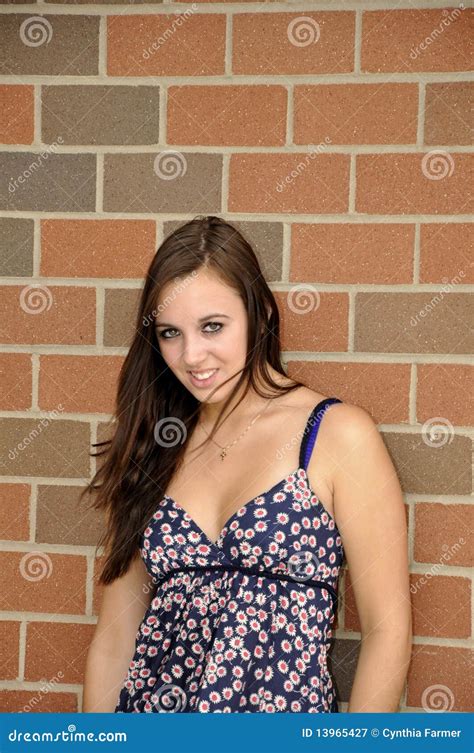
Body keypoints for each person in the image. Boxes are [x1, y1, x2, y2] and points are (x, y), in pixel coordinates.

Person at [82, 215, 412, 714]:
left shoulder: (334, 434)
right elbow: (114, 641)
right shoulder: (154, 446)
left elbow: (388, 632)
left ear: (258, 314)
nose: (193, 355)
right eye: (171, 333)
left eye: (212, 326)